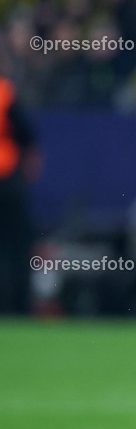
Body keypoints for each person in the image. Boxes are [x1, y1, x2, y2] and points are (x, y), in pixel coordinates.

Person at [0, 75, 39, 314]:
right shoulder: (5, 91)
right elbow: (28, 138)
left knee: (14, 247)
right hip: (9, 180)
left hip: (8, 180)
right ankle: (17, 305)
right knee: (15, 247)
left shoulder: (5, 92)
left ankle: (15, 304)